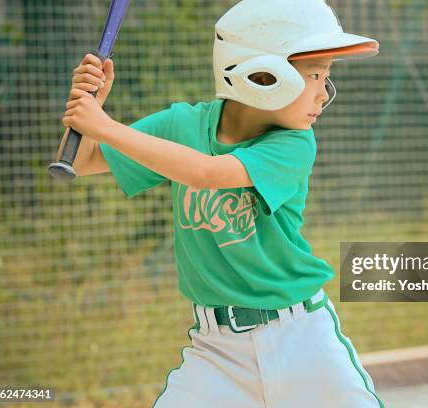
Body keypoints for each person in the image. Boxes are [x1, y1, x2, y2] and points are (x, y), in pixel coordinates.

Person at [55, 0, 383, 406]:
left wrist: (103, 125)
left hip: (301, 340)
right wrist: (95, 105)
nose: (324, 93)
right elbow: (84, 161)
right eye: (314, 75)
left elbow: (205, 173)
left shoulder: (294, 144)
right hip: (216, 351)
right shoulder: (183, 126)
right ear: (261, 73)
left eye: (326, 77)